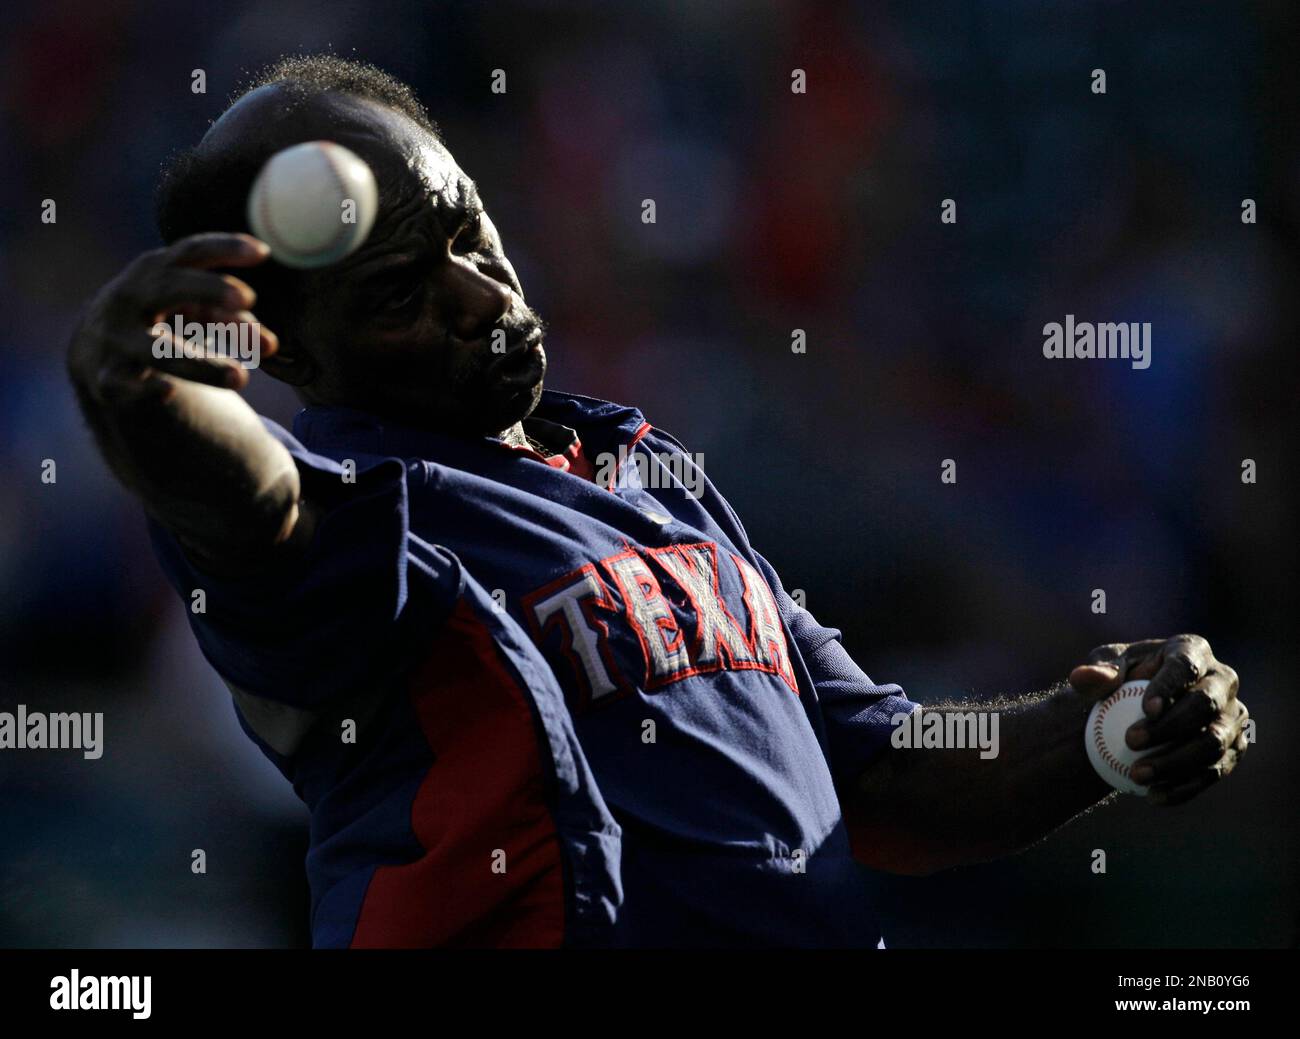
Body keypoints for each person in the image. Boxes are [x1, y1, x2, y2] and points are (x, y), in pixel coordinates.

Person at [66, 56, 1249, 948]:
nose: (481, 295)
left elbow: (878, 768)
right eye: (396, 294)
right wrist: (148, 399)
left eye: (471, 233)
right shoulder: (367, 520)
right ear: (297, 358)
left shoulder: (639, 467)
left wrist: (1105, 731)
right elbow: (243, 498)